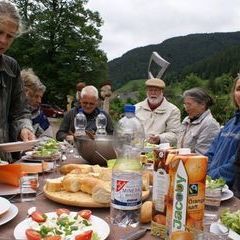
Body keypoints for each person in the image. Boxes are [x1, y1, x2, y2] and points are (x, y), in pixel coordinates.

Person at [0, 1, 35, 161]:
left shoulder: (11, 67)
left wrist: (24, 128)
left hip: (5, 161)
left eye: (10, 36)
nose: (4, 41)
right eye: (0, 32)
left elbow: (20, 112)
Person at [206, 74, 240, 187]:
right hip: (214, 187)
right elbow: (211, 152)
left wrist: (210, 177)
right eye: (239, 89)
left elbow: (234, 166)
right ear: (234, 94)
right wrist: (204, 170)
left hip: (232, 193)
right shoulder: (230, 123)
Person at [135, 78, 181, 146]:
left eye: (156, 90)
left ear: (162, 92)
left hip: (161, 151)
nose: (153, 93)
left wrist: (159, 138)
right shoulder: (136, 108)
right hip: (137, 149)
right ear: (147, 92)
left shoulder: (173, 110)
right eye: (150, 90)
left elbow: (174, 135)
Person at [178, 88, 220, 155]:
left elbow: (202, 156)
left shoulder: (210, 124)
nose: (186, 108)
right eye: (185, 104)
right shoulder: (186, 120)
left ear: (202, 105)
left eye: (189, 104)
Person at [21, 68, 53, 138]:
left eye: (40, 97)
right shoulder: (8, 110)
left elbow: (48, 138)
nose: (39, 101)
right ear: (24, 93)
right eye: (36, 96)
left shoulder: (39, 115)